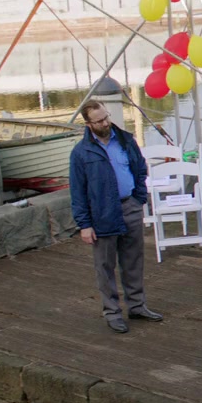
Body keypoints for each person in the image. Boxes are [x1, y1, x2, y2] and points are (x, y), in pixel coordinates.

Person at [69, 100, 163, 334]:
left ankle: (137, 305)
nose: (105, 123)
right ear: (88, 124)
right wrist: (84, 225)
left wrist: (139, 197)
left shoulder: (125, 140)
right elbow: (77, 191)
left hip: (130, 206)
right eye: (99, 120)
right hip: (102, 214)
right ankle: (112, 312)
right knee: (105, 265)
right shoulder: (80, 153)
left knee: (133, 260)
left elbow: (140, 168)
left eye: (106, 117)